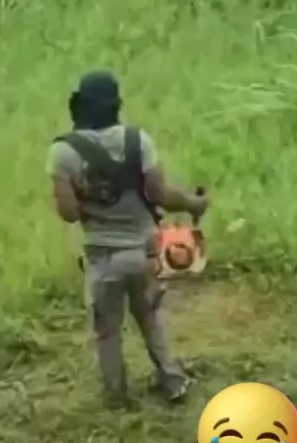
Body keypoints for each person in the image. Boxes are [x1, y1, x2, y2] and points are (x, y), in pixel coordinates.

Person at [45, 70, 208, 409]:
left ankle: (117, 394)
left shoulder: (63, 152)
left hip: (103, 257)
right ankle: (171, 379)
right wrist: (193, 203)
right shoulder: (138, 140)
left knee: (107, 330)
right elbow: (160, 194)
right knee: (151, 318)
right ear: (116, 104)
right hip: (147, 252)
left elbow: (69, 213)